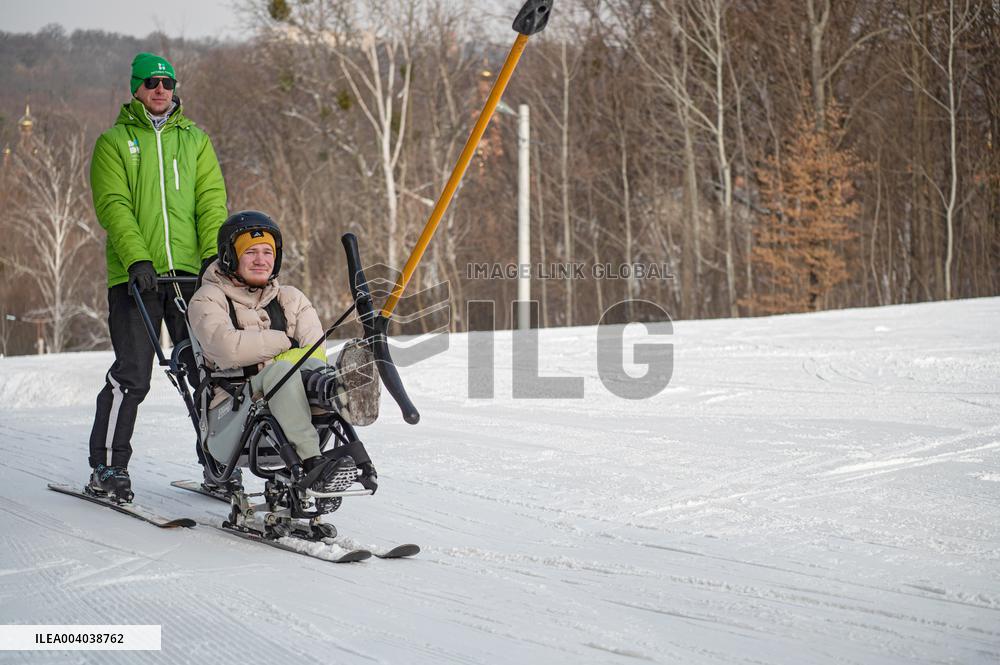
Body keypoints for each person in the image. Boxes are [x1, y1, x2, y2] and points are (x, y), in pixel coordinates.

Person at [87, 52, 228, 502]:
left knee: (208, 373)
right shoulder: (113, 142)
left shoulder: (196, 141)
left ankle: (218, 463)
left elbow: (211, 204)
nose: (160, 89)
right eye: (151, 83)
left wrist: (213, 259)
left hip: (190, 278)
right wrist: (137, 259)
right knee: (134, 375)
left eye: (167, 82)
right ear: (135, 88)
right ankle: (108, 466)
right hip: (136, 278)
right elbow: (114, 206)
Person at [187, 211, 379, 502]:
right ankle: (313, 461)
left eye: (268, 252)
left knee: (314, 365)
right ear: (230, 256)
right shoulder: (207, 298)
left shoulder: (291, 298)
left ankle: (339, 393)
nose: (261, 260)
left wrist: (287, 354)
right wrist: (284, 343)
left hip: (290, 411)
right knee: (284, 372)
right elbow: (227, 350)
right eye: (250, 252)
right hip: (231, 421)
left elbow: (314, 350)